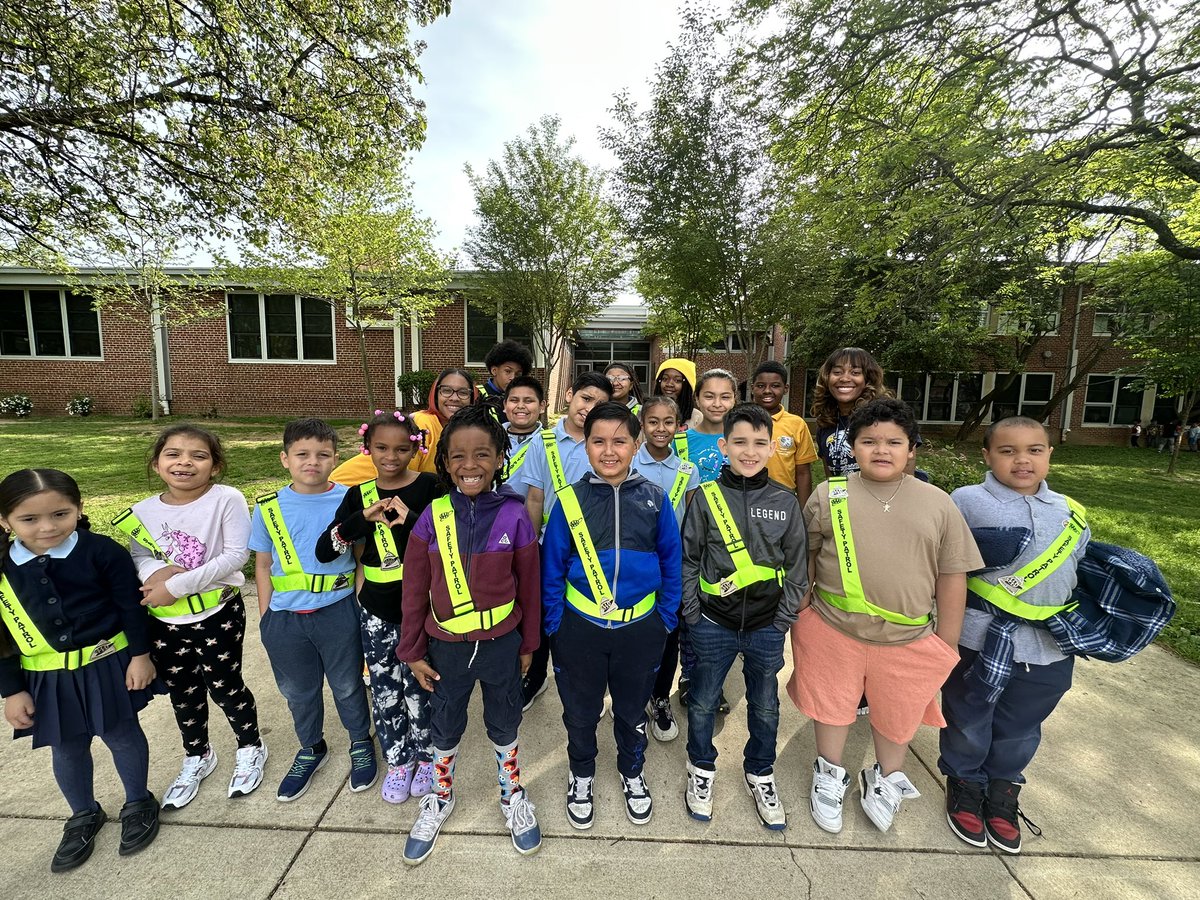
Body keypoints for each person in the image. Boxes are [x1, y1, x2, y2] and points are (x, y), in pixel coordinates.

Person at [789, 398, 983, 835]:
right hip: (832, 627)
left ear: (911, 448)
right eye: (868, 441)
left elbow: (952, 574)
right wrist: (801, 611)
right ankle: (829, 772)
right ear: (851, 447)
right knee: (832, 705)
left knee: (899, 713)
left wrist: (946, 642)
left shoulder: (938, 503)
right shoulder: (829, 493)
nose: (881, 449)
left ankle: (885, 777)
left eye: (894, 442)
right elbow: (806, 554)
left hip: (909, 637)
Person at [398, 405, 543, 864]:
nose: (470, 465)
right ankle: (440, 795)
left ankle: (511, 792)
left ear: (500, 457)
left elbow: (530, 587)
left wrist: (529, 644)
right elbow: (414, 590)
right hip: (446, 648)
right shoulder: (431, 517)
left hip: (501, 643)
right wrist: (413, 650)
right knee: (445, 720)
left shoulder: (516, 516)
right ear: (443, 462)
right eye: (458, 456)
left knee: (505, 717)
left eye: (482, 454)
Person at [939, 416, 1091, 854]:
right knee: (967, 717)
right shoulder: (965, 502)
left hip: (1047, 647)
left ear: (1049, 455)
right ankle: (965, 783)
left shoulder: (1072, 513)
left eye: (1034, 450)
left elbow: (1077, 574)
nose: (1021, 460)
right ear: (987, 456)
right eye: (1007, 451)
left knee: (1021, 727)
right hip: (977, 637)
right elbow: (945, 565)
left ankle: (1003, 791)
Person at [1, 469, 160, 871]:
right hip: (44, 677)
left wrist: (140, 655)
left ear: (79, 509)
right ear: (4, 521)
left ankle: (138, 801)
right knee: (67, 747)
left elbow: (130, 606)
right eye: (29, 519)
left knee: (121, 734)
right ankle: (83, 813)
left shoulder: (101, 551)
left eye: (60, 514)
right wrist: (11, 690)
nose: (47, 527)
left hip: (106, 665)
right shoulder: (2, 568)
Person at [541, 402, 682, 830]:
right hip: (579, 627)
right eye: (598, 441)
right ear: (585, 445)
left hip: (640, 628)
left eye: (620, 441)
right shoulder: (569, 500)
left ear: (636, 445)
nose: (609, 451)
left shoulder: (656, 499)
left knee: (631, 709)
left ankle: (632, 769)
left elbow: (672, 561)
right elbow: (551, 567)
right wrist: (555, 625)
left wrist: (665, 619)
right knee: (580, 711)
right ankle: (581, 771)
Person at [117, 424, 265, 810]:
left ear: (215, 466)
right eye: (173, 454)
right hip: (165, 620)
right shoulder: (141, 512)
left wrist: (176, 586)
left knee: (226, 685)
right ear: (156, 463)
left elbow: (235, 556)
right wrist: (154, 576)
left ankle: (250, 745)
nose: (185, 462)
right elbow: (139, 555)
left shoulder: (226, 499)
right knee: (183, 690)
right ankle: (197, 754)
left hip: (218, 613)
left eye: (198, 455)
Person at [680, 404, 808, 830]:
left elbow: (796, 567)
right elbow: (689, 559)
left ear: (772, 448)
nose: (749, 452)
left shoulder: (785, 502)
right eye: (739, 442)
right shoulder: (703, 498)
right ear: (723, 446)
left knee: (766, 705)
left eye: (758, 443)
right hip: (712, 623)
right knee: (701, 701)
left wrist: (782, 620)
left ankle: (760, 771)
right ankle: (700, 768)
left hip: (766, 627)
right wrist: (694, 614)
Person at [316, 411, 444, 804]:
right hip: (376, 609)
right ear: (367, 449)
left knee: (421, 686)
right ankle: (398, 759)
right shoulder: (358, 494)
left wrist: (413, 521)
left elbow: (450, 545)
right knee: (386, 687)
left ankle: (426, 756)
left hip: (423, 607)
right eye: (382, 448)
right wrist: (360, 519)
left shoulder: (430, 487)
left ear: (416, 450)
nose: (392, 456)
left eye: (402, 449)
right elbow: (326, 551)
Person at [250, 418, 377, 802]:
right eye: (302, 454)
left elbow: (359, 558)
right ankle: (311, 747)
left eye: (323, 455)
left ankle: (359, 741)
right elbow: (261, 563)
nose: (312, 462)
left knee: (348, 685)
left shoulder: (347, 500)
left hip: (338, 611)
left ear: (335, 459)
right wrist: (266, 614)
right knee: (299, 691)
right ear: (284, 459)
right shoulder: (268, 508)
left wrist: (357, 605)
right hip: (285, 618)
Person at [507, 371, 612, 709]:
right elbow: (534, 499)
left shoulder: (605, 444)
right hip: (547, 546)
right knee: (540, 614)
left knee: (582, 618)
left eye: (599, 403)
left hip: (592, 548)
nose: (588, 407)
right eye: (585, 398)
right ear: (569, 395)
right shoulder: (544, 441)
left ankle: (583, 685)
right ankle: (535, 677)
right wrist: (528, 552)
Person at [634, 396, 699, 742]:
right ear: (642, 424)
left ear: (678, 426)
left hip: (672, 566)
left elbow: (693, 523)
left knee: (668, 634)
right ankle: (633, 695)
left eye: (668, 422)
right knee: (635, 630)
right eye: (653, 421)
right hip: (635, 564)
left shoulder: (688, 471)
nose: (661, 429)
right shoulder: (629, 464)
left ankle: (660, 696)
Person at [330, 368, 473, 485]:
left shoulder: (455, 430)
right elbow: (399, 477)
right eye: (446, 390)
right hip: (348, 490)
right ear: (436, 395)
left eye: (463, 392)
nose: (454, 398)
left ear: (472, 398)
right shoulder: (423, 424)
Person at [810, 347, 890, 479]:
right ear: (827, 378)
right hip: (842, 499)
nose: (845, 378)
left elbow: (906, 471)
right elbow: (832, 479)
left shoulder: (887, 417)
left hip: (880, 498)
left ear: (868, 379)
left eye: (855, 372)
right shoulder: (825, 423)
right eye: (837, 372)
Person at [749, 360, 819, 504]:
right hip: (747, 499)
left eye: (775, 386)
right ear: (752, 388)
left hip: (783, 501)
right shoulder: (741, 421)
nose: (767, 391)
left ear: (785, 388)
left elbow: (803, 472)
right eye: (761, 386)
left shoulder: (796, 424)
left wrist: (802, 513)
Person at [686, 369, 738, 484]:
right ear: (697, 399)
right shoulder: (682, 442)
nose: (717, 404)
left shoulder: (743, 440)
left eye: (725, 397)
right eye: (709, 397)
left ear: (734, 399)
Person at [500, 375, 547, 484]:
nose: (520, 406)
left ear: (542, 406)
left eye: (528, 401)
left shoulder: (550, 444)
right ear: (505, 405)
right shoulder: (490, 438)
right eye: (514, 400)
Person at [479, 340, 535, 424]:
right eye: (508, 371)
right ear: (494, 370)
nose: (512, 378)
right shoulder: (477, 395)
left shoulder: (523, 397)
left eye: (517, 374)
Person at [653, 358, 699, 429]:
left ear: (687, 385)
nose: (669, 384)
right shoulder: (648, 411)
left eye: (677, 380)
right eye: (665, 379)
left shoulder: (696, 417)